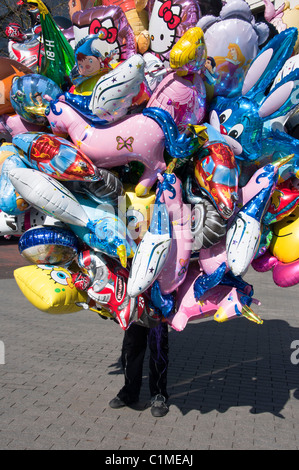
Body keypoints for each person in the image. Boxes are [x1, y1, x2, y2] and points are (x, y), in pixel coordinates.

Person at [109, 321, 170, 417]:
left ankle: (158, 394)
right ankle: (130, 392)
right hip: (134, 310)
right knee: (130, 347)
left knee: (158, 347)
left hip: (157, 310)